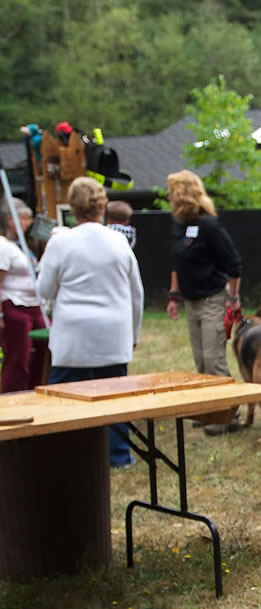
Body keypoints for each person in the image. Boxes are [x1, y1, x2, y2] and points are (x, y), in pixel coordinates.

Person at [35, 176, 143, 467]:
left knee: (65, 399)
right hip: (113, 335)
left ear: (72, 207)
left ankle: (65, 453)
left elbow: (43, 289)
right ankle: (118, 455)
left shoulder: (60, 242)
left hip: (73, 336)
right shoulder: (119, 242)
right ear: (102, 206)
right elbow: (136, 294)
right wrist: (133, 333)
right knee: (115, 397)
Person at [165, 169, 242, 434]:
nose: (167, 196)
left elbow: (234, 264)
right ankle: (210, 410)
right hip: (190, 300)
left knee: (213, 358)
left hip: (214, 298)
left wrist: (232, 299)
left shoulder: (209, 225)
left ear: (182, 193)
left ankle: (225, 415)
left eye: (171, 190)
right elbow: (177, 263)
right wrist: (174, 296)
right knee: (200, 360)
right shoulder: (178, 225)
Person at [0, 199, 43, 392]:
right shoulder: (3, 246)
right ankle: (12, 396)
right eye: (23, 219)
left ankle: (36, 389)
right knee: (18, 357)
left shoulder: (23, 246)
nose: (27, 223)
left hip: (35, 306)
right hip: (15, 305)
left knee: (44, 349)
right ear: (11, 220)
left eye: (28, 219)